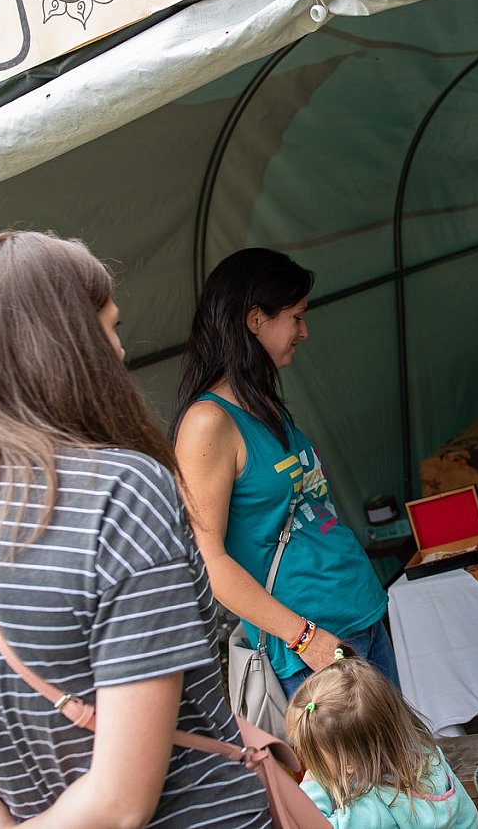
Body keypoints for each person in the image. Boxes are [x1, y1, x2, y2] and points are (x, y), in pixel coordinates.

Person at [0, 231, 270, 828]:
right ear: (67, 345)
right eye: (107, 328)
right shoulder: (122, 492)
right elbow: (119, 802)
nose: (119, 350)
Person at [173, 248, 393, 699]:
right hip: (314, 648)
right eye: (296, 317)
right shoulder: (208, 423)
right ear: (256, 319)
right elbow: (210, 561)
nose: (304, 331)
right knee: (365, 751)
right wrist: (305, 639)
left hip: (359, 614)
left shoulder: (262, 404)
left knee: (404, 748)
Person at [285, 652, 478, 828]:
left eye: (315, 754)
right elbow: (468, 816)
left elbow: (310, 824)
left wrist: (313, 787)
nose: (310, 761)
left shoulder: (372, 808)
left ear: (349, 763)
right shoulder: (427, 755)